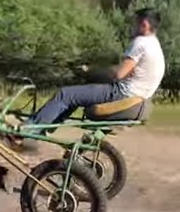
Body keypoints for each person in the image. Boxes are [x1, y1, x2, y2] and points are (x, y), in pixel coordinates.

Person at [22, 8, 166, 136]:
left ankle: (25, 132)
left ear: (144, 24)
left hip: (123, 93)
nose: (132, 26)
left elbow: (118, 74)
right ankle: (43, 129)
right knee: (75, 95)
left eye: (135, 23)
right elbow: (127, 70)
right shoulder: (155, 45)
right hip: (138, 96)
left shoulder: (140, 42)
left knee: (65, 94)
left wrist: (89, 72)